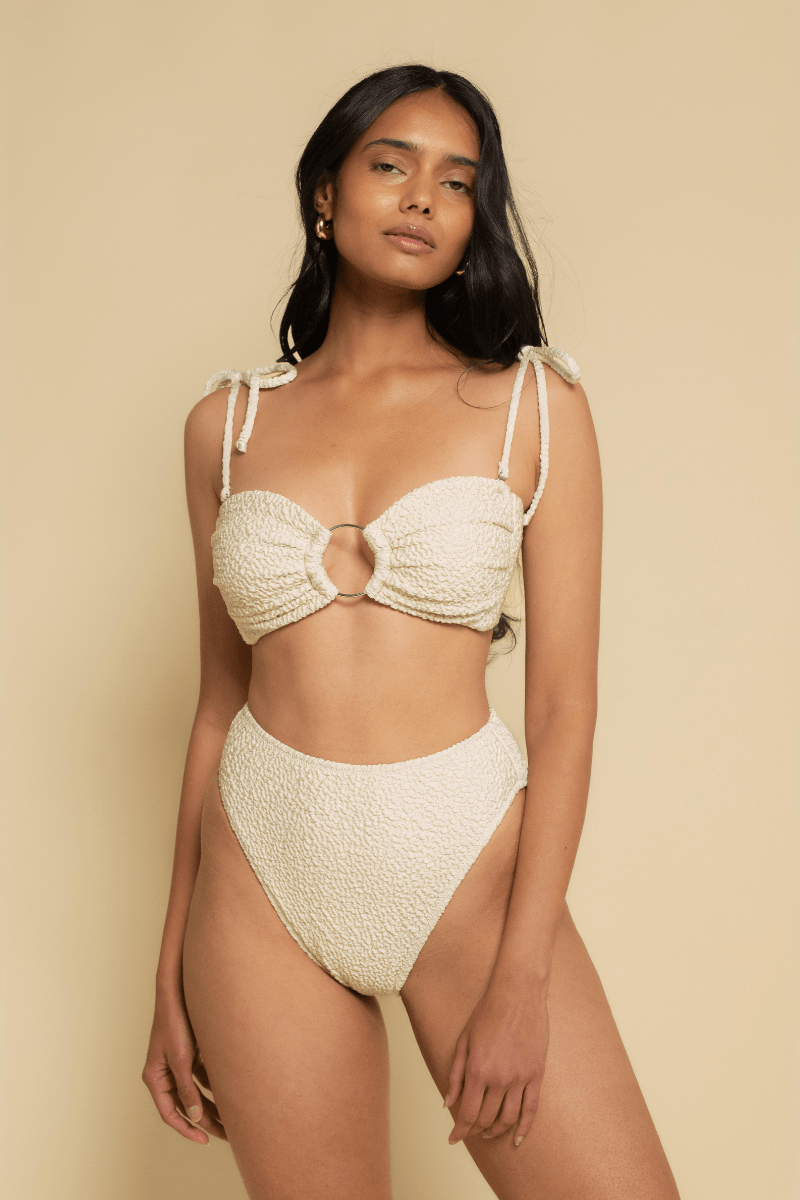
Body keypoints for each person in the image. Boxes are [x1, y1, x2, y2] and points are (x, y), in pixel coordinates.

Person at [142, 64, 681, 1200]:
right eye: (390, 164)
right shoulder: (224, 426)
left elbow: (564, 710)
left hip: (462, 869)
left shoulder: (535, 409)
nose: (423, 197)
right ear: (325, 194)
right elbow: (216, 705)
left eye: (458, 181)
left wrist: (523, 977)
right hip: (257, 878)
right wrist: (167, 973)